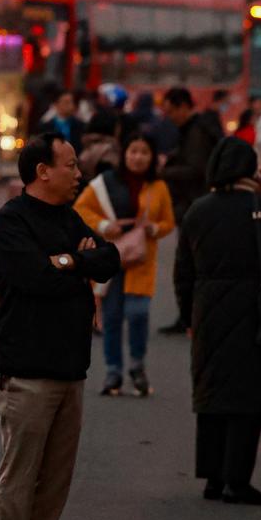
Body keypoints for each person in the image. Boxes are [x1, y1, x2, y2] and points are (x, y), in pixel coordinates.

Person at [0, 133, 120, 520]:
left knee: (56, 478)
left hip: (70, 366)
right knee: (21, 475)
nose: (77, 173)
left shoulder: (68, 217)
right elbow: (35, 279)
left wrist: (72, 261)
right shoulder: (10, 222)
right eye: (69, 165)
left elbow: (109, 260)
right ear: (42, 171)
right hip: (26, 368)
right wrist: (74, 266)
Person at [175, 138, 261, 506]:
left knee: (214, 394)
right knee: (249, 397)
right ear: (251, 170)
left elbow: (182, 271)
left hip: (207, 309)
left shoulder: (197, 210)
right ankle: (238, 480)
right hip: (253, 310)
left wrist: (189, 315)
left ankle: (213, 479)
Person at [75, 128, 175, 396]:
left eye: (144, 152)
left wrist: (156, 229)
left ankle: (137, 364)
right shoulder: (105, 182)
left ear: (152, 156)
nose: (138, 157)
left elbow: (169, 221)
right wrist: (105, 225)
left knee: (138, 313)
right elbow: (81, 209)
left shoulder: (159, 186)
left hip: (141, 262)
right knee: (112, 317)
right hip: (110, 260)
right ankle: (113, 372)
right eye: (133, 151)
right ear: (124, 154)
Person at [158, 87, 223, 333]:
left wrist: (164, 172)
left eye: (171, 111)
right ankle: (191, 315)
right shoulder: (193, 130)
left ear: (184, 106)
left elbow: (196, 169)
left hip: (195, 207)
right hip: (196, 206)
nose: (169, 116)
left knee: (190, 266)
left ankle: (191, 316)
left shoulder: (196, 132)